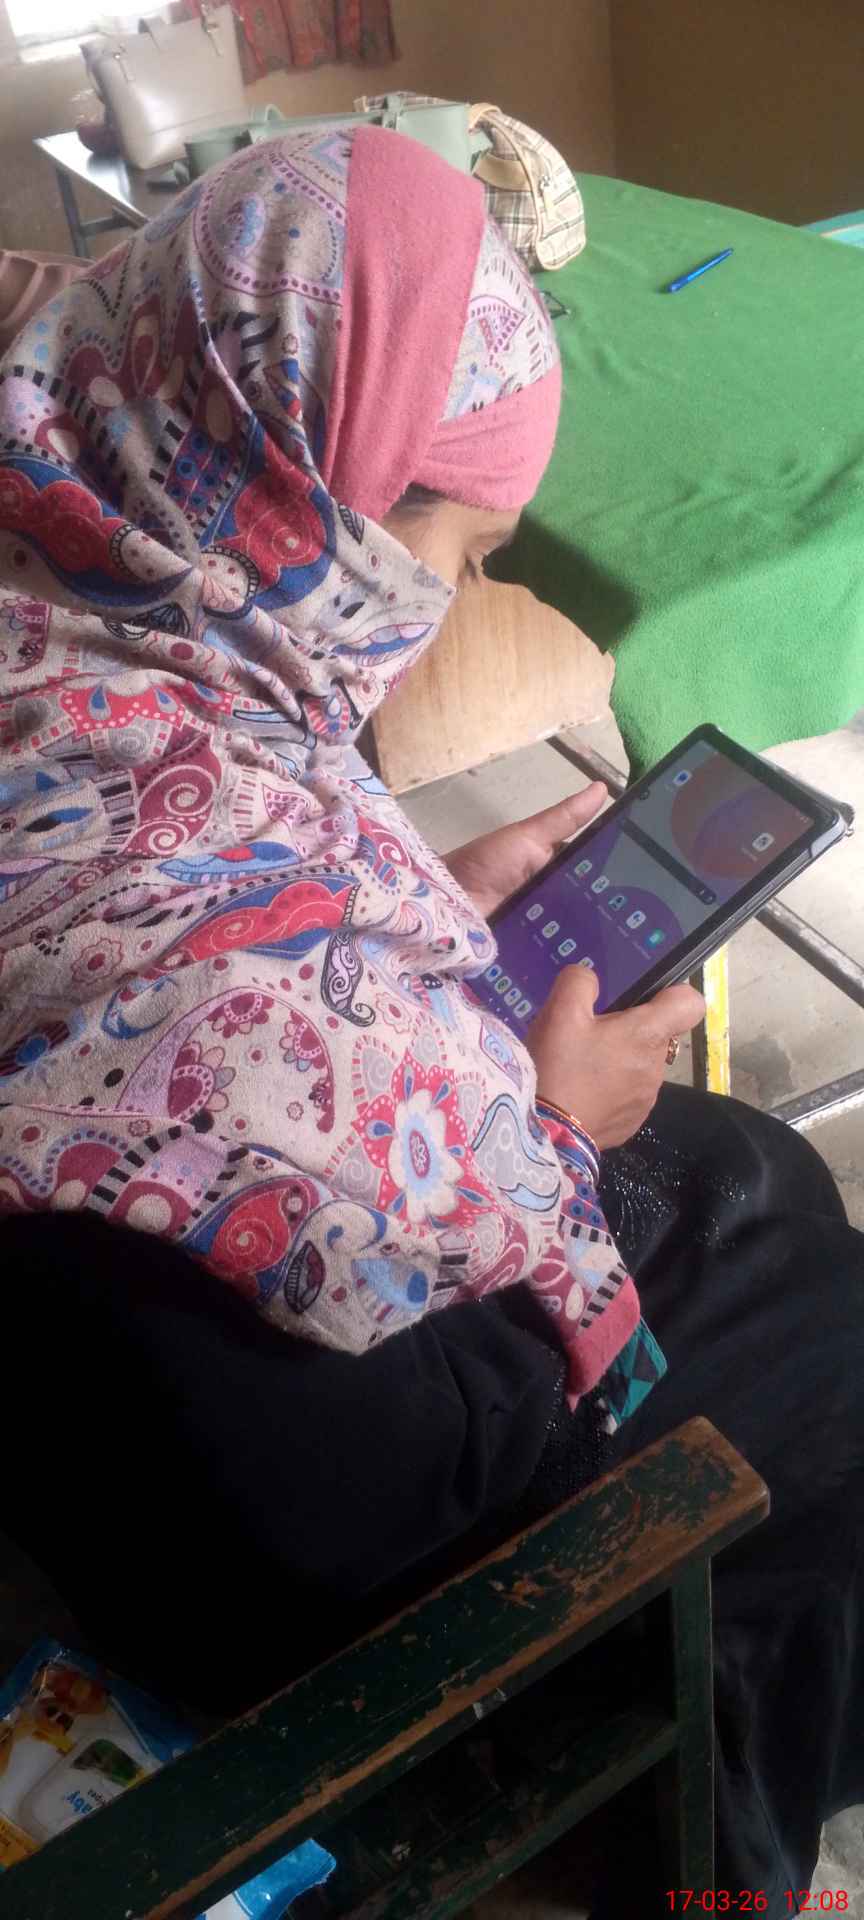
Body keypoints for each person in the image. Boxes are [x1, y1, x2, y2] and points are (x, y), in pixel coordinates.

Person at [0, 126, 861, 1918]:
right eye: (457, 552)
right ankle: (710, 1824)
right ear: (303, 507)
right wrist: (545, 1132)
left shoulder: (80, 628)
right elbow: (343, 1489)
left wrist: (410, 917)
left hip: (149, 1403)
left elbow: (230, 914)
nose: (451, 606)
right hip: (270, 1565)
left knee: (753, 1179)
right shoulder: (193, 957)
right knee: (803, 1309)